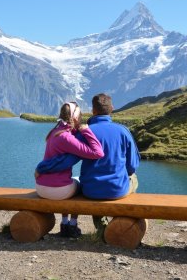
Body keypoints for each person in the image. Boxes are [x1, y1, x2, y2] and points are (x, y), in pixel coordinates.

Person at [36, 93, 140, 233]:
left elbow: (66, 161)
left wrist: (42, 167)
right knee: (133, 178)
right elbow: (132, 166)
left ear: (93, 110)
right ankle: (124, 220)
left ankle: (101, 226)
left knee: (94, 186)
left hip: (90, 190)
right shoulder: (123, 131)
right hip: (117, 189)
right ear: (112, 108)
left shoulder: (82, 133)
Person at [35, 101, 104, 238]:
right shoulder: (66, 137)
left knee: (70, 182)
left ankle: (64, 223)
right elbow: (98, 153)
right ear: (75, 117)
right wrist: (86, 131)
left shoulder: (54, 131)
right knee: (81, 184)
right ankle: (71, 225)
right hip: (56, 191)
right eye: (80, 115)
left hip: (41, 187)